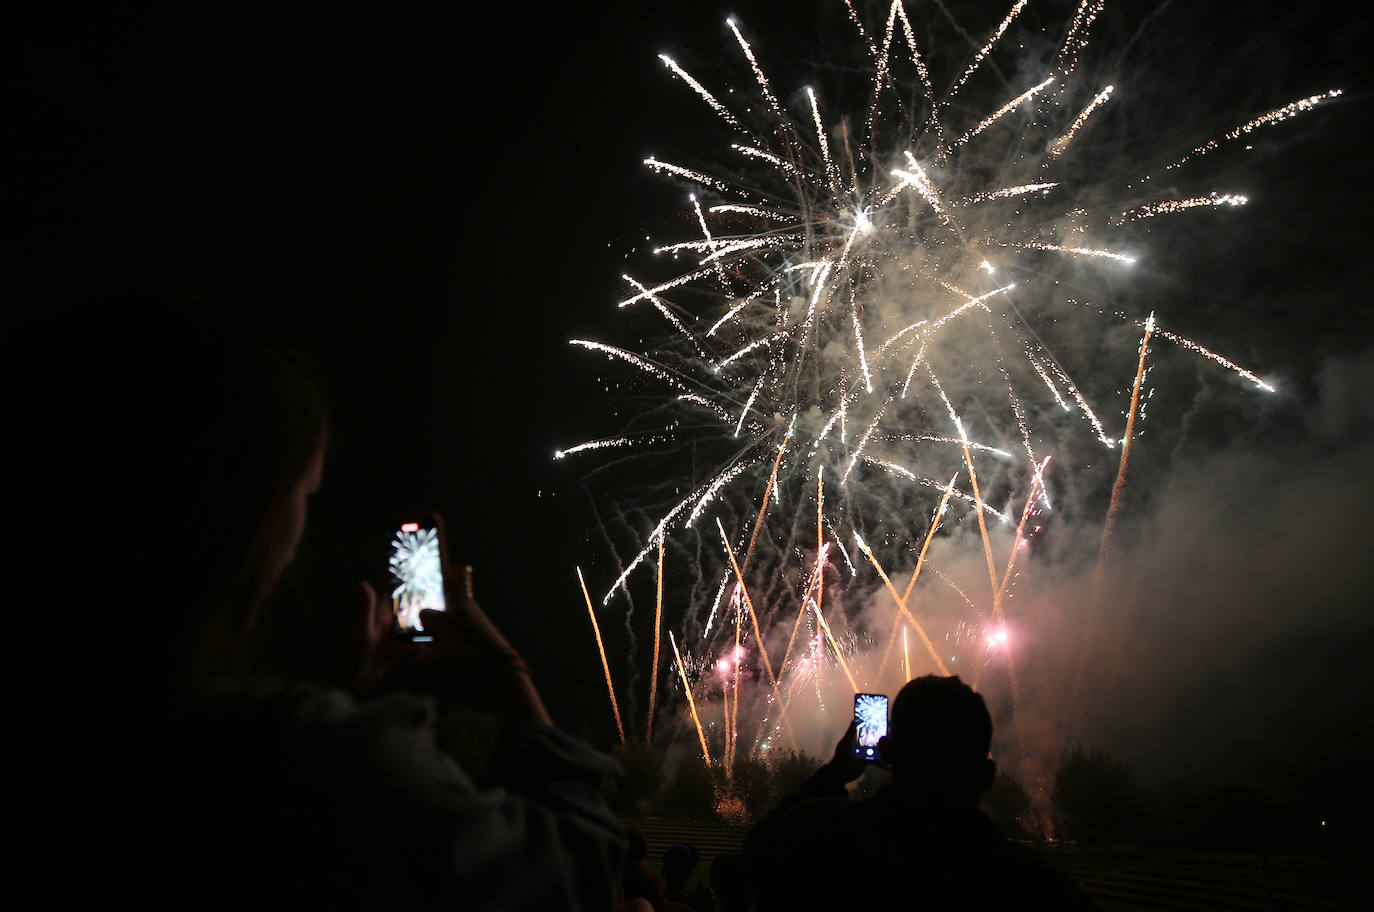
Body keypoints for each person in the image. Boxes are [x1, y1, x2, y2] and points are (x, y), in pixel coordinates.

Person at [74, 292, 627, 907]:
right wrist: (497, 661)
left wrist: (331, 692)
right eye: (305, 495)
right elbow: (578, 868)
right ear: (252, 512)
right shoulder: (326, 758)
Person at [743, 675, 1096, 910]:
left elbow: (752, 861)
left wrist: (835, 772)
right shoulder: (1033, 890)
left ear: (887, 754)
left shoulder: (824, 836)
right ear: (987, 775)